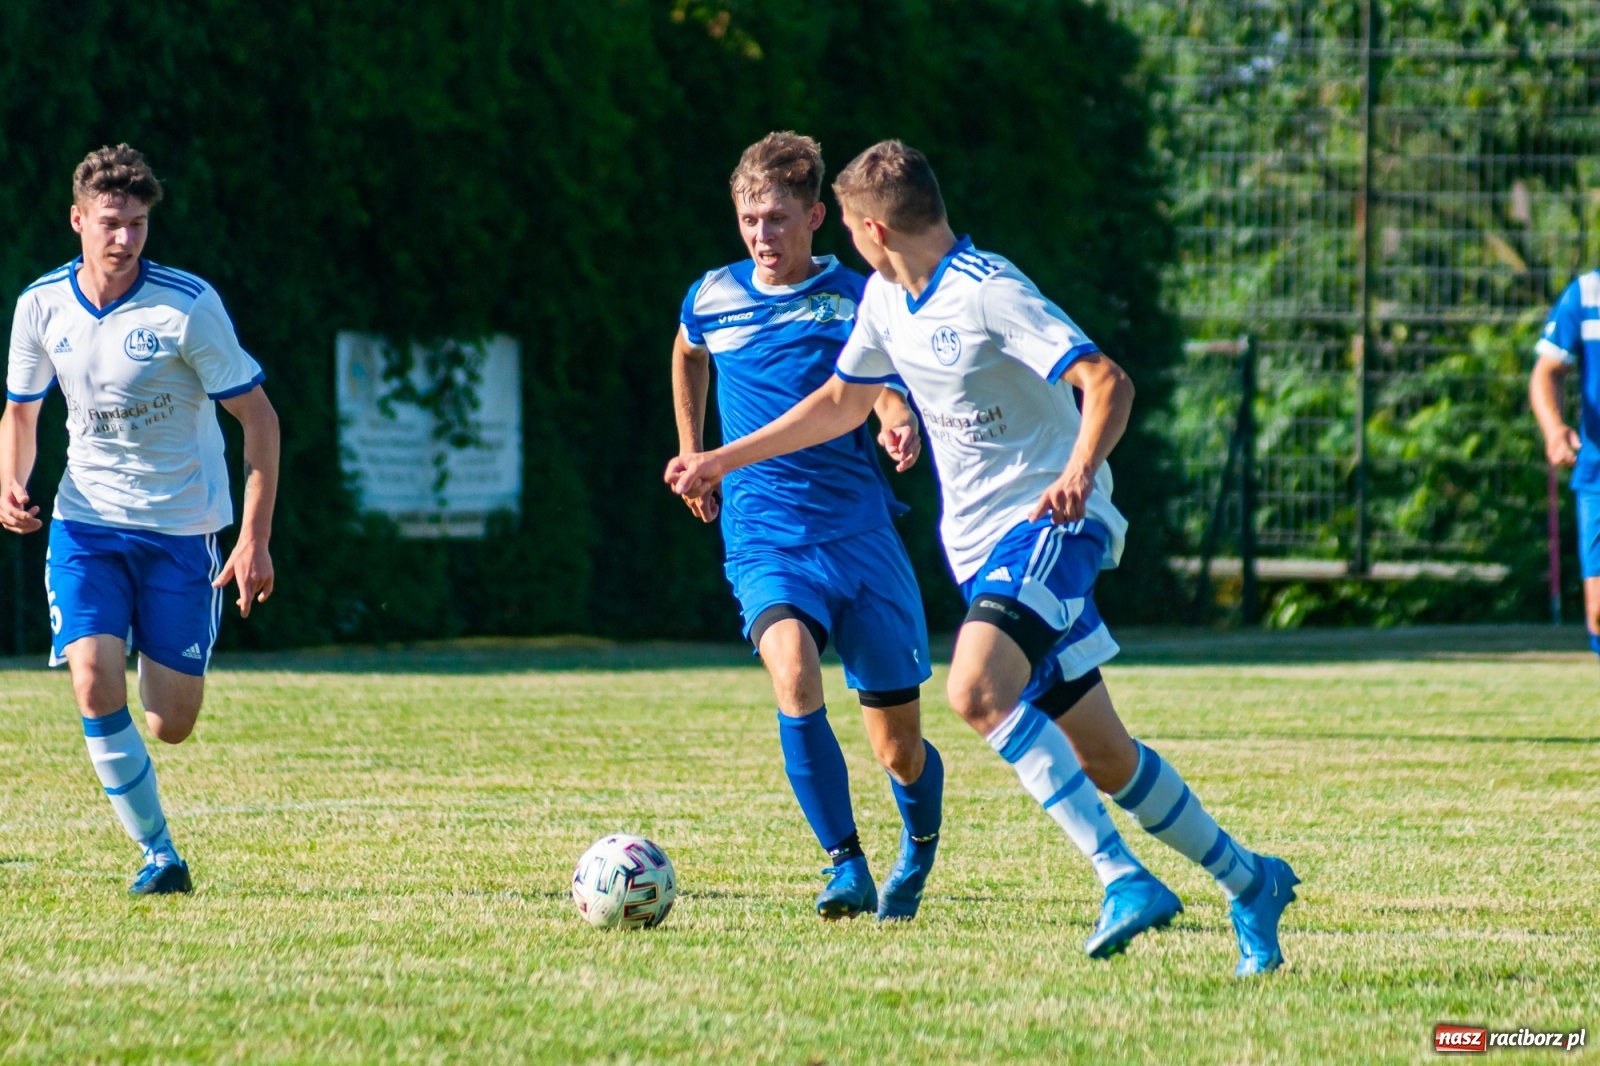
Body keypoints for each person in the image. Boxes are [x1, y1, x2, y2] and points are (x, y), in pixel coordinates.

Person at [667, 140, 1299, 975]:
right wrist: (717, 459)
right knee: (1105, 756)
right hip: (981, 552)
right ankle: (1252, 881)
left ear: (871, 229)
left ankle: (1121, 877)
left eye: (847, 229)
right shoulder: (886, 301)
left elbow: (1107, 381)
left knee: (972, 689)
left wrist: (1078, 474)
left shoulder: (988, 289)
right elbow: (840, 403)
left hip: (1049, 525)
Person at [671, 132, 943, 920]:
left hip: (859, 536)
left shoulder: (858, 296)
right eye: (749, 220)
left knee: (898, 747)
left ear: (817, 216)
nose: (762, 236)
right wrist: (694, 451)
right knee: (792, 672)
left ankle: (918, 844)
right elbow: (688, 352)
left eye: (779, 219)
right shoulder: (711, 296)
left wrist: (897, 419)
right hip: (765, 535)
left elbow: (876, 384)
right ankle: (845, 864)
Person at [0, 144, 279, 895]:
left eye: (138, 224)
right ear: (77, 220)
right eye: (111, 223)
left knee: (170, 723)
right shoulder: (40, 305)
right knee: (93, 680)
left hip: (182, 530)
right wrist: (10, 481)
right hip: (86, 525)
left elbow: (259, 420)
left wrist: (253, 538)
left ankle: (159, 832)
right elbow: (20, 413)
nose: (125, 238)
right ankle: (160, 855)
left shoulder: (187, 307)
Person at [1531, 273, 1600, 659]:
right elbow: (1548, 371)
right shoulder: (1589, 293)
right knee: (1599, 610)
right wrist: (1554, 429)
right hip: (1597, 474)